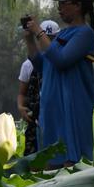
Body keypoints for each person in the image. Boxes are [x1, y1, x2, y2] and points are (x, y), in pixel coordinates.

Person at [23, 0, 94, 167]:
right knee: (50, 159)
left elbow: (61, 59)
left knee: (71, 161)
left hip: (73, 106)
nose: (59, 8)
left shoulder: (84, 33)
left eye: (64, 4)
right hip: (53, 107)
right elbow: (42, 65)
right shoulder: (62, 35)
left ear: (78, 6)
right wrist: (30, 40)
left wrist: (39, 32)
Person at [17, 20, 59, 156]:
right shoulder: (28, 65)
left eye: (51, 38)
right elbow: (22, 93)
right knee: (34, 158)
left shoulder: (61, 61)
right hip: (34, 119)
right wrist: (21, 107)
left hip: (56, 115)